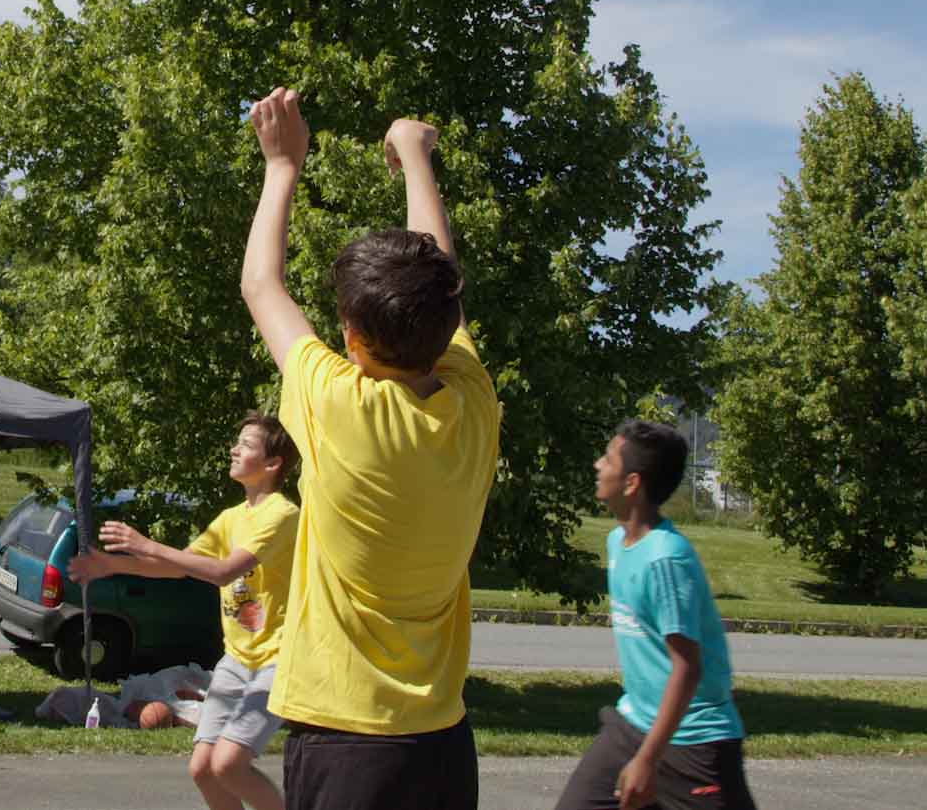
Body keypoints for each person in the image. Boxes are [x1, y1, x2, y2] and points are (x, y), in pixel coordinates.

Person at [238, 89, 500, 810]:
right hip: (444, 746)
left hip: (346, 742)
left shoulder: (336, 403)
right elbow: (442, 276)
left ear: (352, 340)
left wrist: (282, 165)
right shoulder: (472, 403)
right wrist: (416, 158)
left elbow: (261, 284)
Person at [70, 411, 302, 810]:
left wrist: (147, 545)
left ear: (272, 463)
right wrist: (115, 564)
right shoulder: (233, 517)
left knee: (228, 765)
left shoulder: (281, 514)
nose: (234, 449)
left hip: (276, 662)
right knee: (202, 768)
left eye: (246, 445)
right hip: (237, 660)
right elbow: (180, 566)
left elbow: (222, 572)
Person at [554, 420, 756, 810]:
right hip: (633, 724)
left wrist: (647, 760)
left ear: (631, 483)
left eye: (608, 458)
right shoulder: (617, 541)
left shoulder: (666, 558)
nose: (597, 464)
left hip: (695, 742)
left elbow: (687, 668)